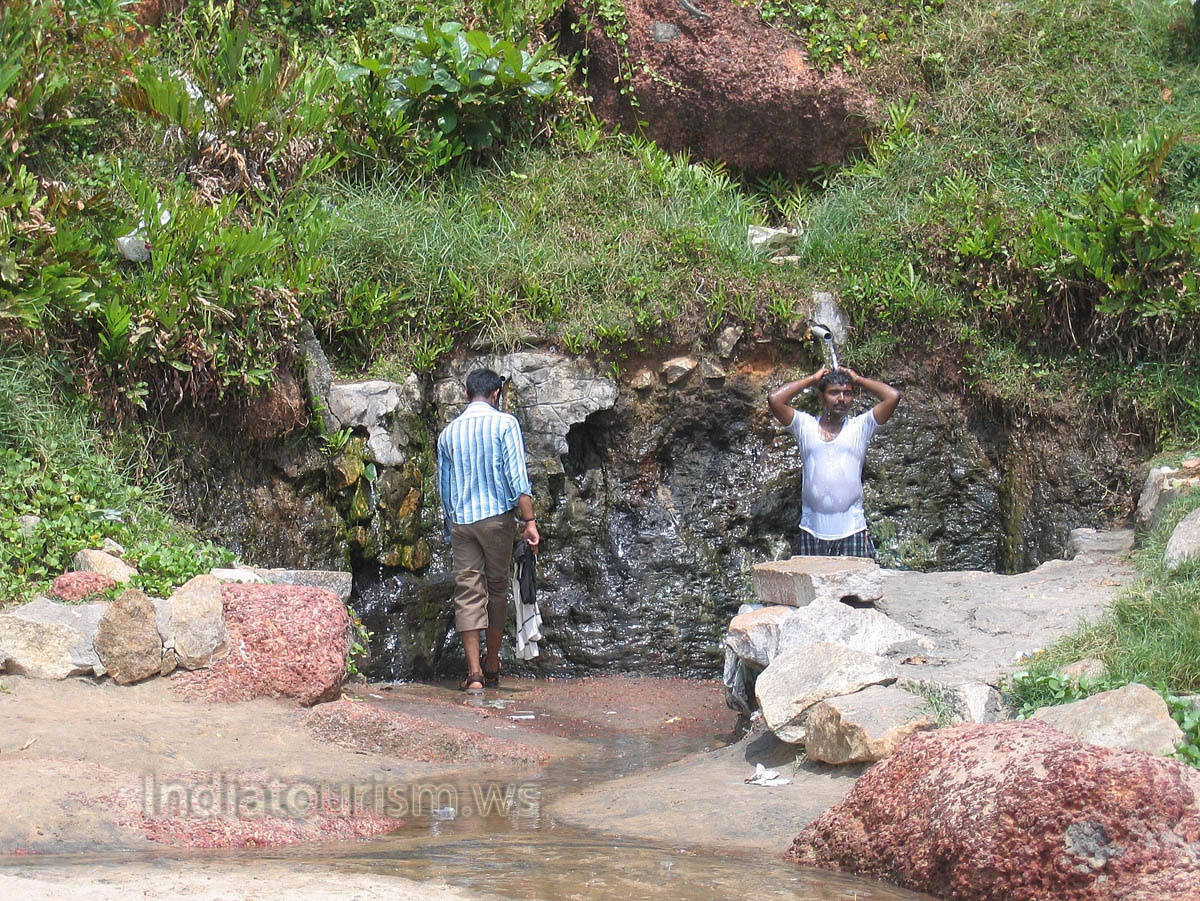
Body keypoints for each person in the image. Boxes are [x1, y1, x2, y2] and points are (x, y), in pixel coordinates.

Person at [437, 368, 540, 691]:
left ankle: (474, 675)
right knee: (496, 590)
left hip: (463, 521)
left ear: (467, 395)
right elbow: (517, 477)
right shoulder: (505, 423)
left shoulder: (448, 434)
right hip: (496, 518)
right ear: (496, 394)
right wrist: (530, 522)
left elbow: (445, 487)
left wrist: (450, 525)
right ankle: (492, 663)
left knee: (467, 593)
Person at [767, 366, 900, 558]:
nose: (841, 399)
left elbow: (893, 396)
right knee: (812, 587)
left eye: (847, 393)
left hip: (852, 529)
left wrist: (858, 380)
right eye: (834, 393)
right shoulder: (805, 426)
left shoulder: (860, 427)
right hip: (811, 529)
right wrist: (812, 379)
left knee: (857, 588)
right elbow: (775, 400)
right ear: (821, 397)